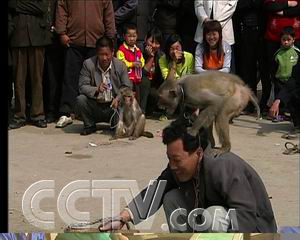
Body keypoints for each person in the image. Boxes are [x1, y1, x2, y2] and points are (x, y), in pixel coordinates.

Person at [99, 119, 277, 233]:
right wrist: (122, 217)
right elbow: (156, 191)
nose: (172, 166)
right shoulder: (179, 167)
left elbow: (245, 215)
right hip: (212, 229)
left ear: (198, 154)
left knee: (213, 215)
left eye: (176, 159)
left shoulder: (223, 166)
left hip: (254, 231)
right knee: (171, 198)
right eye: (169, 159)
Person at [55, 0, 116, 128]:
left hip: (96, 41)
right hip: (73, 40)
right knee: (69, 78)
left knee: (96, 79)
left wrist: (110, 35)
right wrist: (61, 32)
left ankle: (90, 113)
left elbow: (108, 12)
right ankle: (66, 113)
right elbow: (62, 8)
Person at [8, 0, 52, 130]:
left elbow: (42, 8)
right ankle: (19, 116)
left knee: (37, 79)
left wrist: (18, 6)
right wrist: (31, 5)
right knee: (19, 81)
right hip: (18, 36)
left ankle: (37, 115)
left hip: (37, 36)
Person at [75, 37, 132, 136]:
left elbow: (127, 86)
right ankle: (89, 125)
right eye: (101, 54)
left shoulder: (120, 65)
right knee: (81, 99)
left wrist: (118, 99)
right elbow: (82, 86)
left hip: (113, 107)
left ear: (112, 52)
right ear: (97, 53)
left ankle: (116, 124)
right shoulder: (88, 64)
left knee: (126, 100)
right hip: (95, 105)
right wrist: (96, 89)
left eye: (107, 54)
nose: (104, 58)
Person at [262, 0, 300, 114]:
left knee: (294, 73)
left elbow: (298, 8)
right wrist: (288, 4)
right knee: (275, 74)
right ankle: (274, 105)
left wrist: (281, 12)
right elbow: (269, 6)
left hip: (295, 36)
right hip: (272, 38)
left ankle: (291, 108)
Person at [269, 31, 300, 136]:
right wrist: (278, 100)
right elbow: (294, 81)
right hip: (283, 81)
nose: (286, 42)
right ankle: (297, 124)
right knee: (292, 95)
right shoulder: (278, 53)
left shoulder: (297, 52)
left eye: (289, 40)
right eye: (284, 40)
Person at [194, 0, 237, 72]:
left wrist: (215, 25)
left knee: (228, 69)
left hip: (224, 28)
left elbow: (231, 5)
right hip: (204, 27)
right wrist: (206, 20)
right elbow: (198, 5)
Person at [116, 24, 145, 105]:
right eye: (129, 36)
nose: (132, 39)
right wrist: (132, 64)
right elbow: (120, 63)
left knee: (137, 97)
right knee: (128, 97)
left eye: (134, 36)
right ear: (124, 36)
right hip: (127, 78)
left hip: (137, 78)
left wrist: (141, 64)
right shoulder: (121, 49)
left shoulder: (138, 50)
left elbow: (142, 60)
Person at [139, 27, 164, 114]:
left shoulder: (161, 55)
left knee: (155, 94)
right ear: (146, 39)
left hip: (153, 86)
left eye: (157, 43)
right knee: (145, 81)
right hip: (139, 85)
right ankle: (141, 112)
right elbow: (142, 74)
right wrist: (150, 57)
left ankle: (149, 111)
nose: (153, 45)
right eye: (151, 41)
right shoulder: (139, 50)